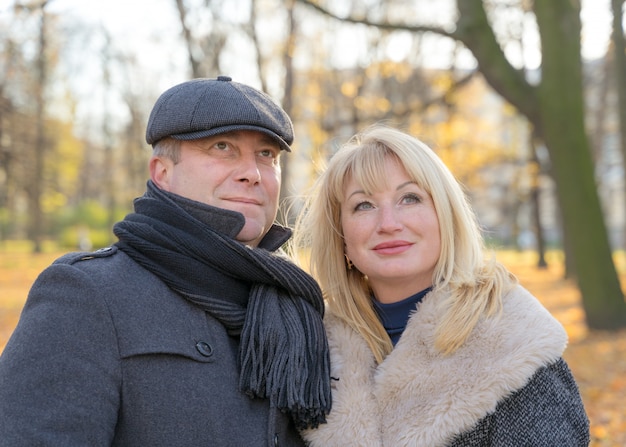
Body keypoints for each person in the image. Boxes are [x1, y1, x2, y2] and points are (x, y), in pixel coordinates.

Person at [0, 76, 331, 446]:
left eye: (266, 155)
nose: (252, 173)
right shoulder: (88, 294)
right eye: (223, 147)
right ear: (162, 173)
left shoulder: (299, 305)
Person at [294, 125, 590, 446]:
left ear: (446, 216)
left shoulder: (515, 347)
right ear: (341, 237)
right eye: (363, 205)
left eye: (410, 198)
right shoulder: (311, 352)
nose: (389, 223)